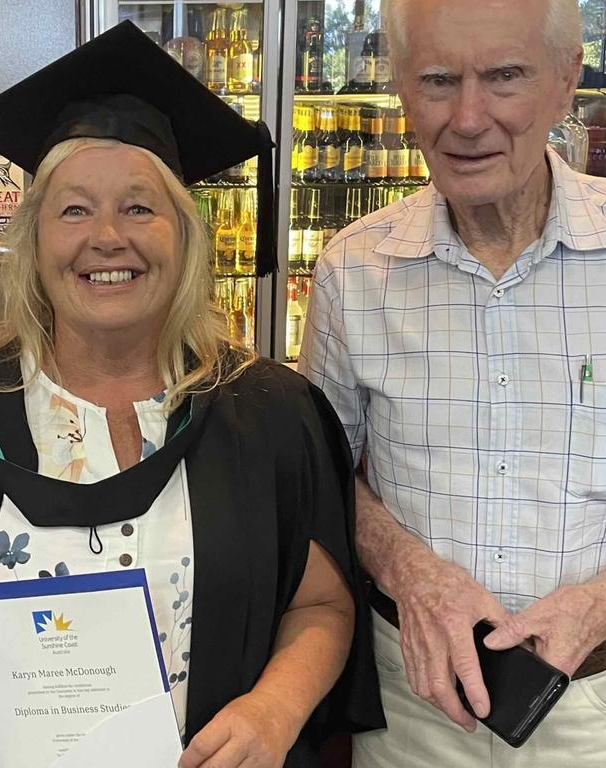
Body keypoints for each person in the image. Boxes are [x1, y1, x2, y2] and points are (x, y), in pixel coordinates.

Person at [0, 21, 383, 768]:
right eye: (74, 210)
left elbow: (322, 606)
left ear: (184, 238)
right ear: (35, 243)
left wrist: (274, 709)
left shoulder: (269, 418)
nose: (107, 237)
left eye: (139, 207)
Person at [299, 0, 606, 765]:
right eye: (438, 80)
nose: (468, 119)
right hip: (414, 705)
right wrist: (411, 571)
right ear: (401, 87)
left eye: (504, 77)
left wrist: (599, 606)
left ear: (566, 81)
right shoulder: (353, 269)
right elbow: (320, 475)